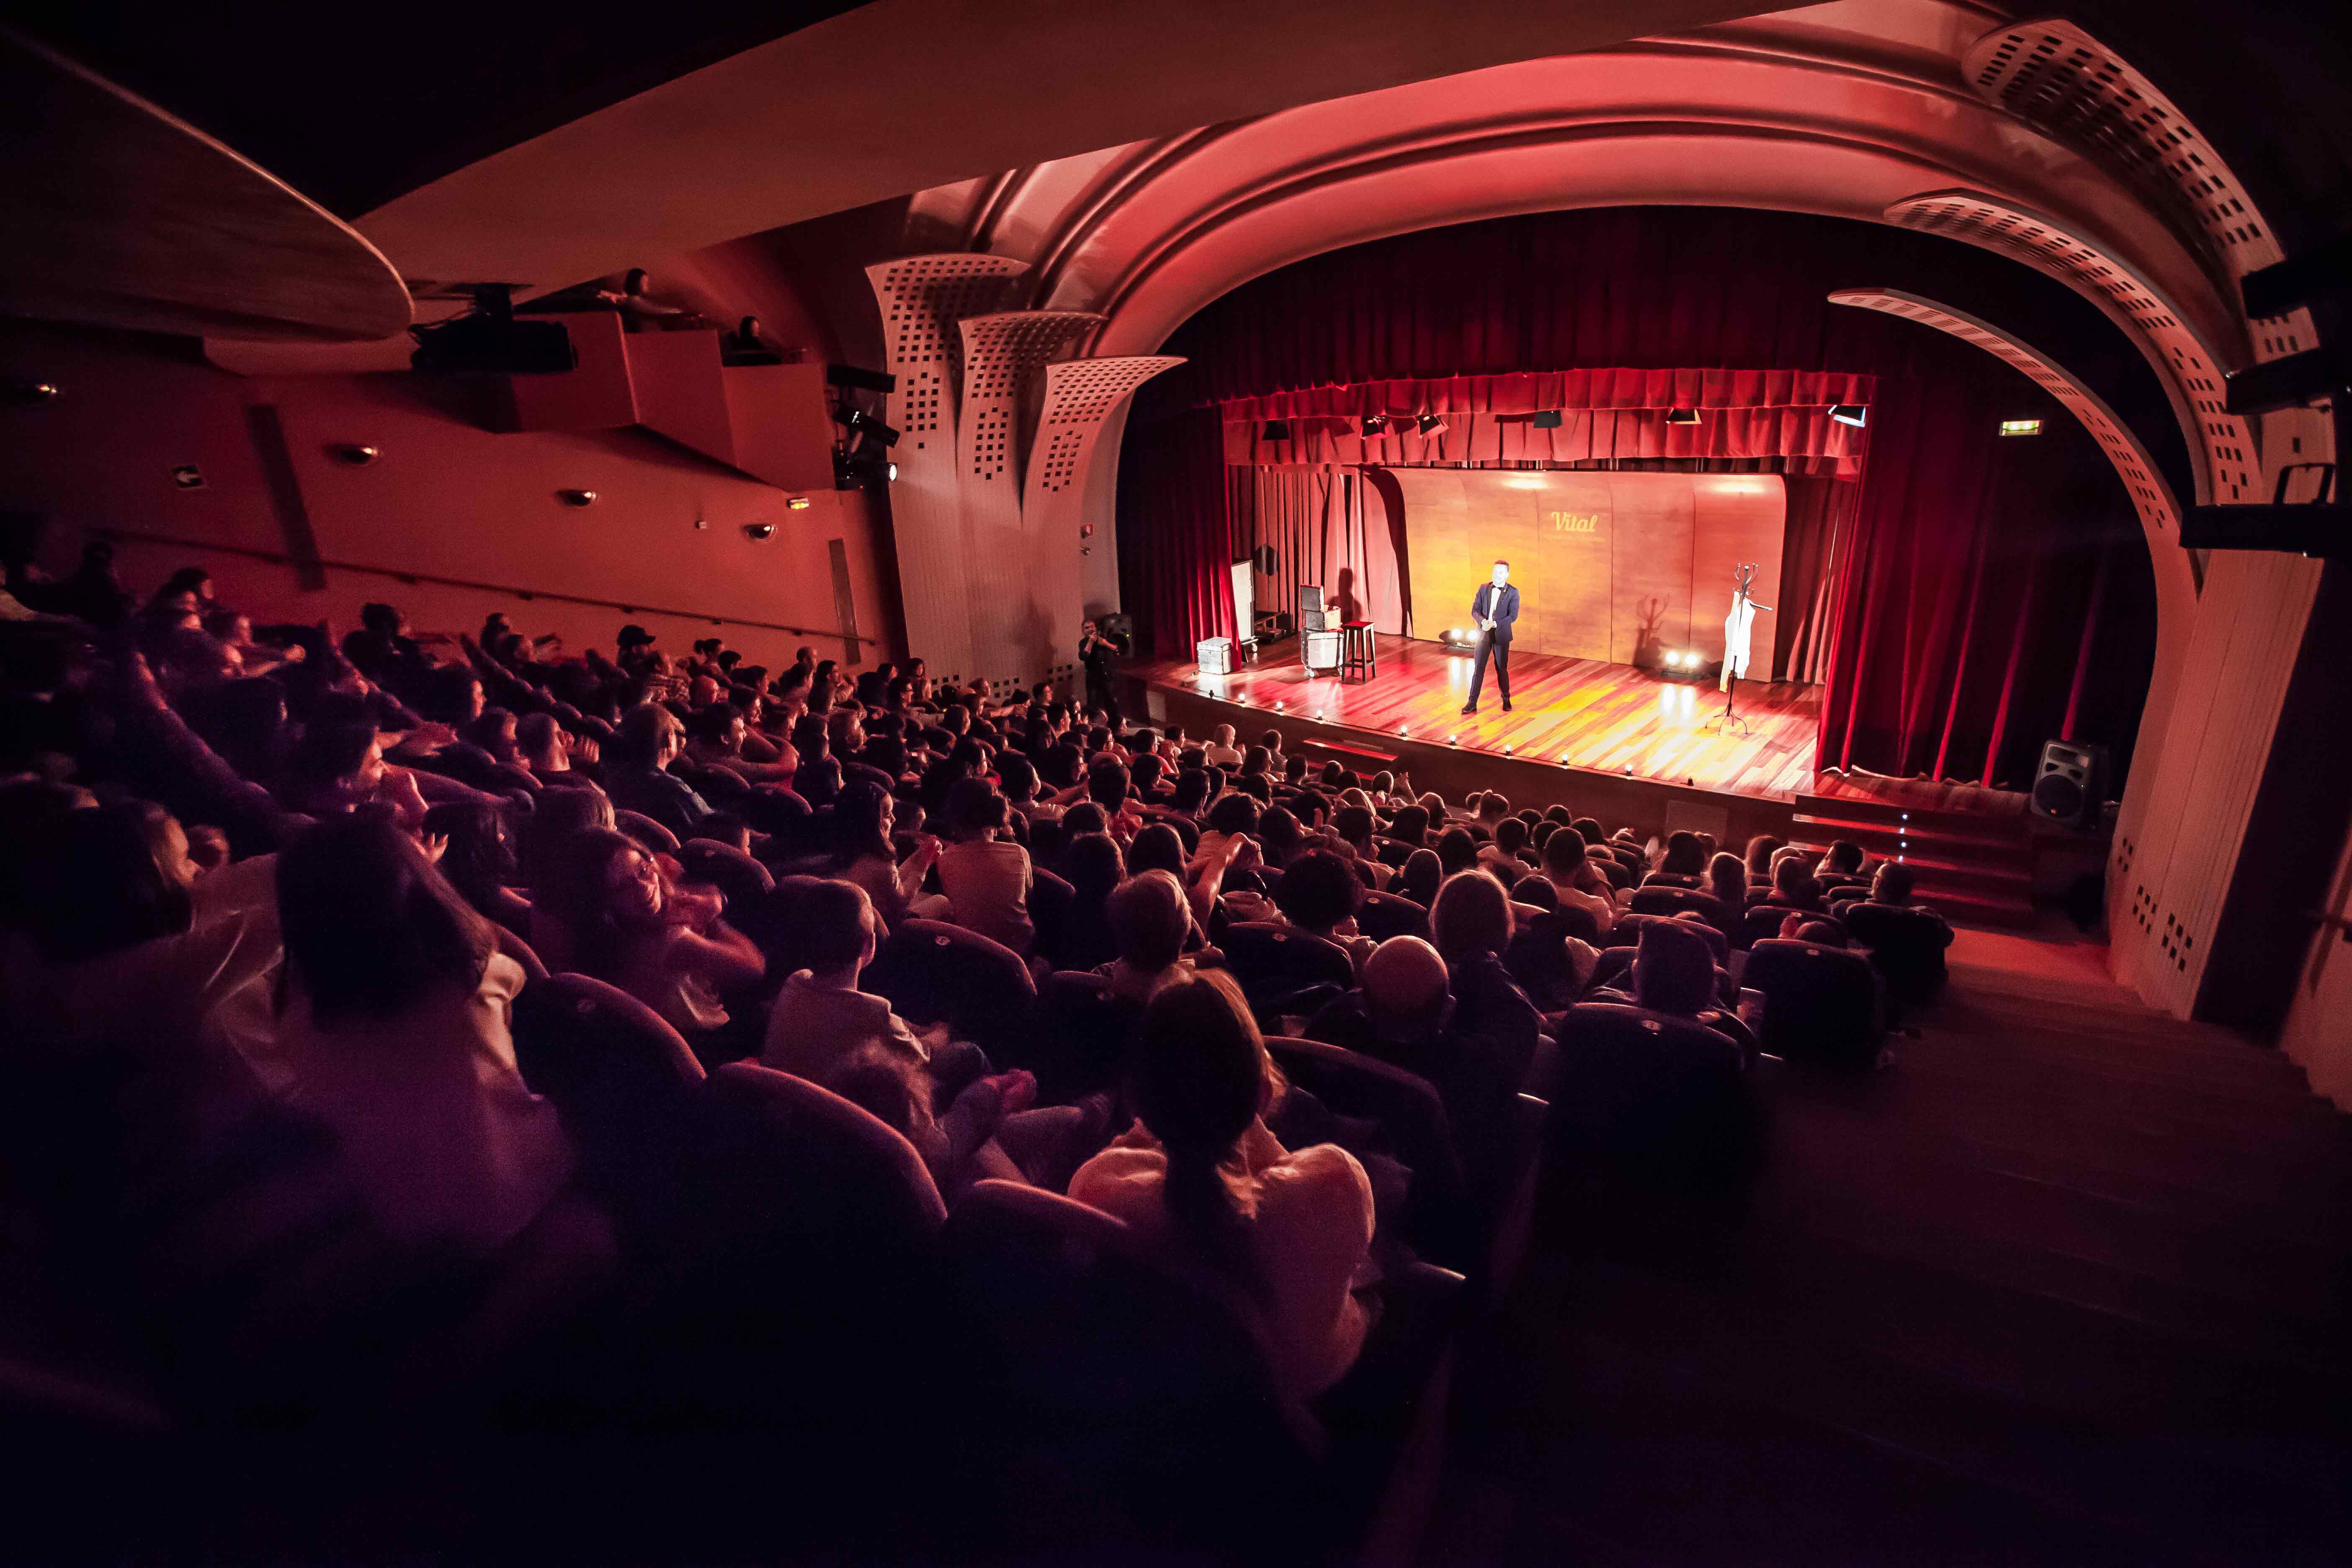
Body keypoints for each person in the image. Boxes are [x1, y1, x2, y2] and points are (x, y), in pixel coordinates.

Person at [1068, 971, 1377, 1399]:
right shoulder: (1332, 1181)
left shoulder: (1097, 1186)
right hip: (1300, 1416)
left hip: (1159, 1407)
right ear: (1264, 1096)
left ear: (1139, 1100)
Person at [272, 815, 573, 1255]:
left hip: (403, 1216)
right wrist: (427, 883)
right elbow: (517, 968)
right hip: (516, 1198)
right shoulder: (471, 983)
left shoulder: (292, 1013)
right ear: (412, 888)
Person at [558, 829, 765, 1047]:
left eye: (643, 871)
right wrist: (713, 919)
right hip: (707, 1045)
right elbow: (754, 968)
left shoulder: (598, 940)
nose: (644, 888)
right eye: (622, 888)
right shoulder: (671, 941)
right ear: (601, 904)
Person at [936, 779, 1034, 955]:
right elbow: (1027, 897)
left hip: (972, 949)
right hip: (1020, 951)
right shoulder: (1019, 854)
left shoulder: (946, 858)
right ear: (999, 809)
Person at [1462, 560, 1518, 714]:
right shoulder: (1483, 589)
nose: (1497, 575)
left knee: (1501, 668)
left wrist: (1496, 623)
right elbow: (1475, 610)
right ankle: (1472, 703)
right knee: (1478, 669)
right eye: (1495, 572)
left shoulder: (1513, 592)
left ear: (1507, 575)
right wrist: (1483, 622)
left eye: (1501, 573)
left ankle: (1506, 699)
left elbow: (1513, 616)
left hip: (1501, 634)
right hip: (1484, 633)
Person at [1077, 618, 1124, 726]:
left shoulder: (1105, 639)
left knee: (1112, 702)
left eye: (1092, 626)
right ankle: (1095, 726)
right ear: (1083, 631)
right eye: (1087, 628)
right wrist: (1091, 642)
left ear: (1096, 628)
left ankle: (1115, 725)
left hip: (1107, 677)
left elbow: (1118, 650)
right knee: (1093, 704)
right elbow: (1084, 656)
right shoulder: (1083, 643)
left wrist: (1106, 644)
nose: (1090, 629)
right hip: (1093, 679)